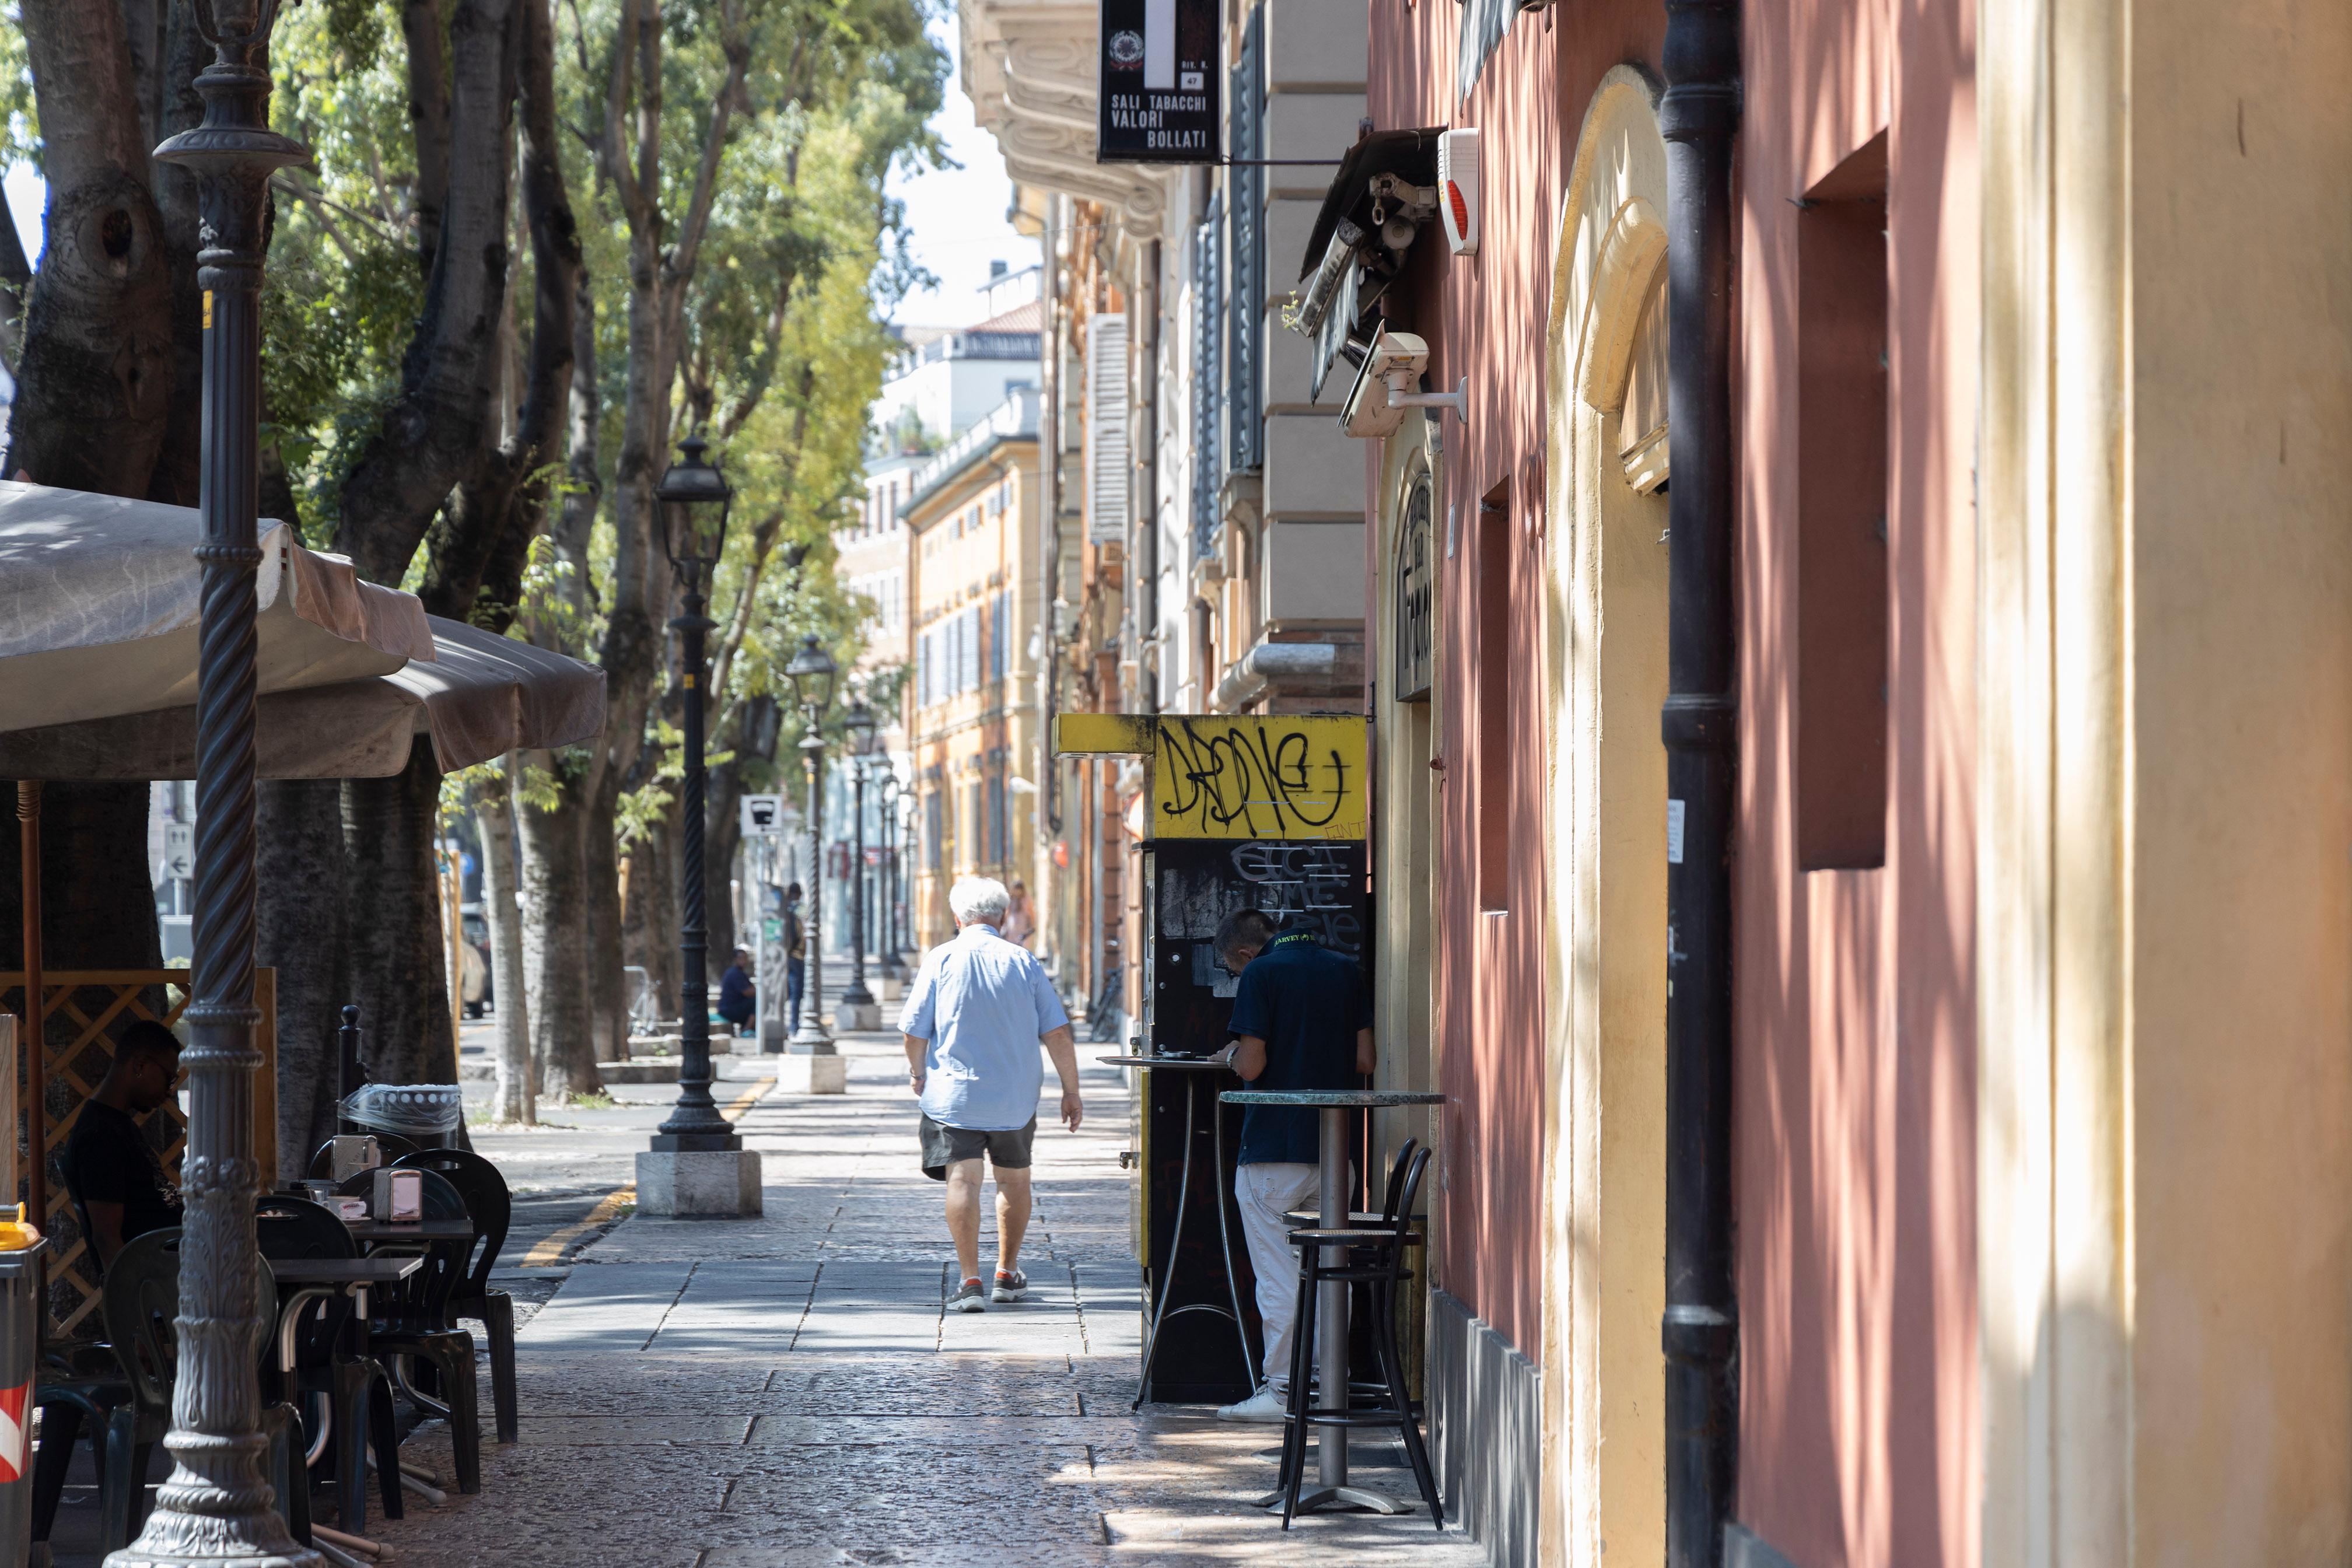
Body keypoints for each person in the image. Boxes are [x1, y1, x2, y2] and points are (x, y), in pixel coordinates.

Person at [1208, 907, 1374, 1422]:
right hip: (1333, 1151)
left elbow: (1253, 1064)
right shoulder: (1346, 969)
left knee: (1279, 1279)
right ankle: (1329, 1384)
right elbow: (1364, 1061)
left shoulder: (1262, 973)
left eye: (1232, 970)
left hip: (1273, 1151)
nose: (1238, 976)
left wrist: (1232, 1055)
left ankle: (1282, 1391)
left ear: (1242, 954)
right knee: (1328, 1272)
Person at [900, 875, 1083, 1313]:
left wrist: (918, 1072)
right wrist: (1070, 1090)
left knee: (963, 1180)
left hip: (953, 1096)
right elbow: (1057, 1032)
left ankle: (970, 1281)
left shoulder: (940, 960)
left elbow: (913, 1031)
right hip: (1015, 1099)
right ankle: (1007, 1272)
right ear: (1003, 916)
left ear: (956, 917)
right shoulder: (1023, 962)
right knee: (1014, 1180)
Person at [61, 1020, 185, 1273]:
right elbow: (107, 1239)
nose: (169, 1092)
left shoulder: (117, 1124)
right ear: (140, 1065)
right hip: (164, 1281)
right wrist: (145, 1303)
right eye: (168, 1079)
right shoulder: (100, 1136)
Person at [782, 883, 807, 1032]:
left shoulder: (783, 909)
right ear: (799, 894)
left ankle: (784, 1024)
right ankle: (794, 1025)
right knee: (797, 994)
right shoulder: (801, 909)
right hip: (797, 956)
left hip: (783, 957)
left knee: (787, 993)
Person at [718, 946, 756, 1035]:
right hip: (728, 1009)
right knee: (756, 1002)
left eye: (745, 958)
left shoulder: (740, 973)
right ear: (735, 960)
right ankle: (746, 1029)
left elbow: (751, 988)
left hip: (734, 1007)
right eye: (741, 958)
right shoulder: (735, 973)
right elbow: (747, 992)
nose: (744, 961)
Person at [1002, 880, 1036, 949]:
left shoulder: (1026, 900)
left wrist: (1031, 927)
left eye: (1019, 889)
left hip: (1023, 928)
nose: (1017, 892)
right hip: (1012, 930)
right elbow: (1007, 913)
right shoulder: (1011, 900)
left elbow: (1031, 914)